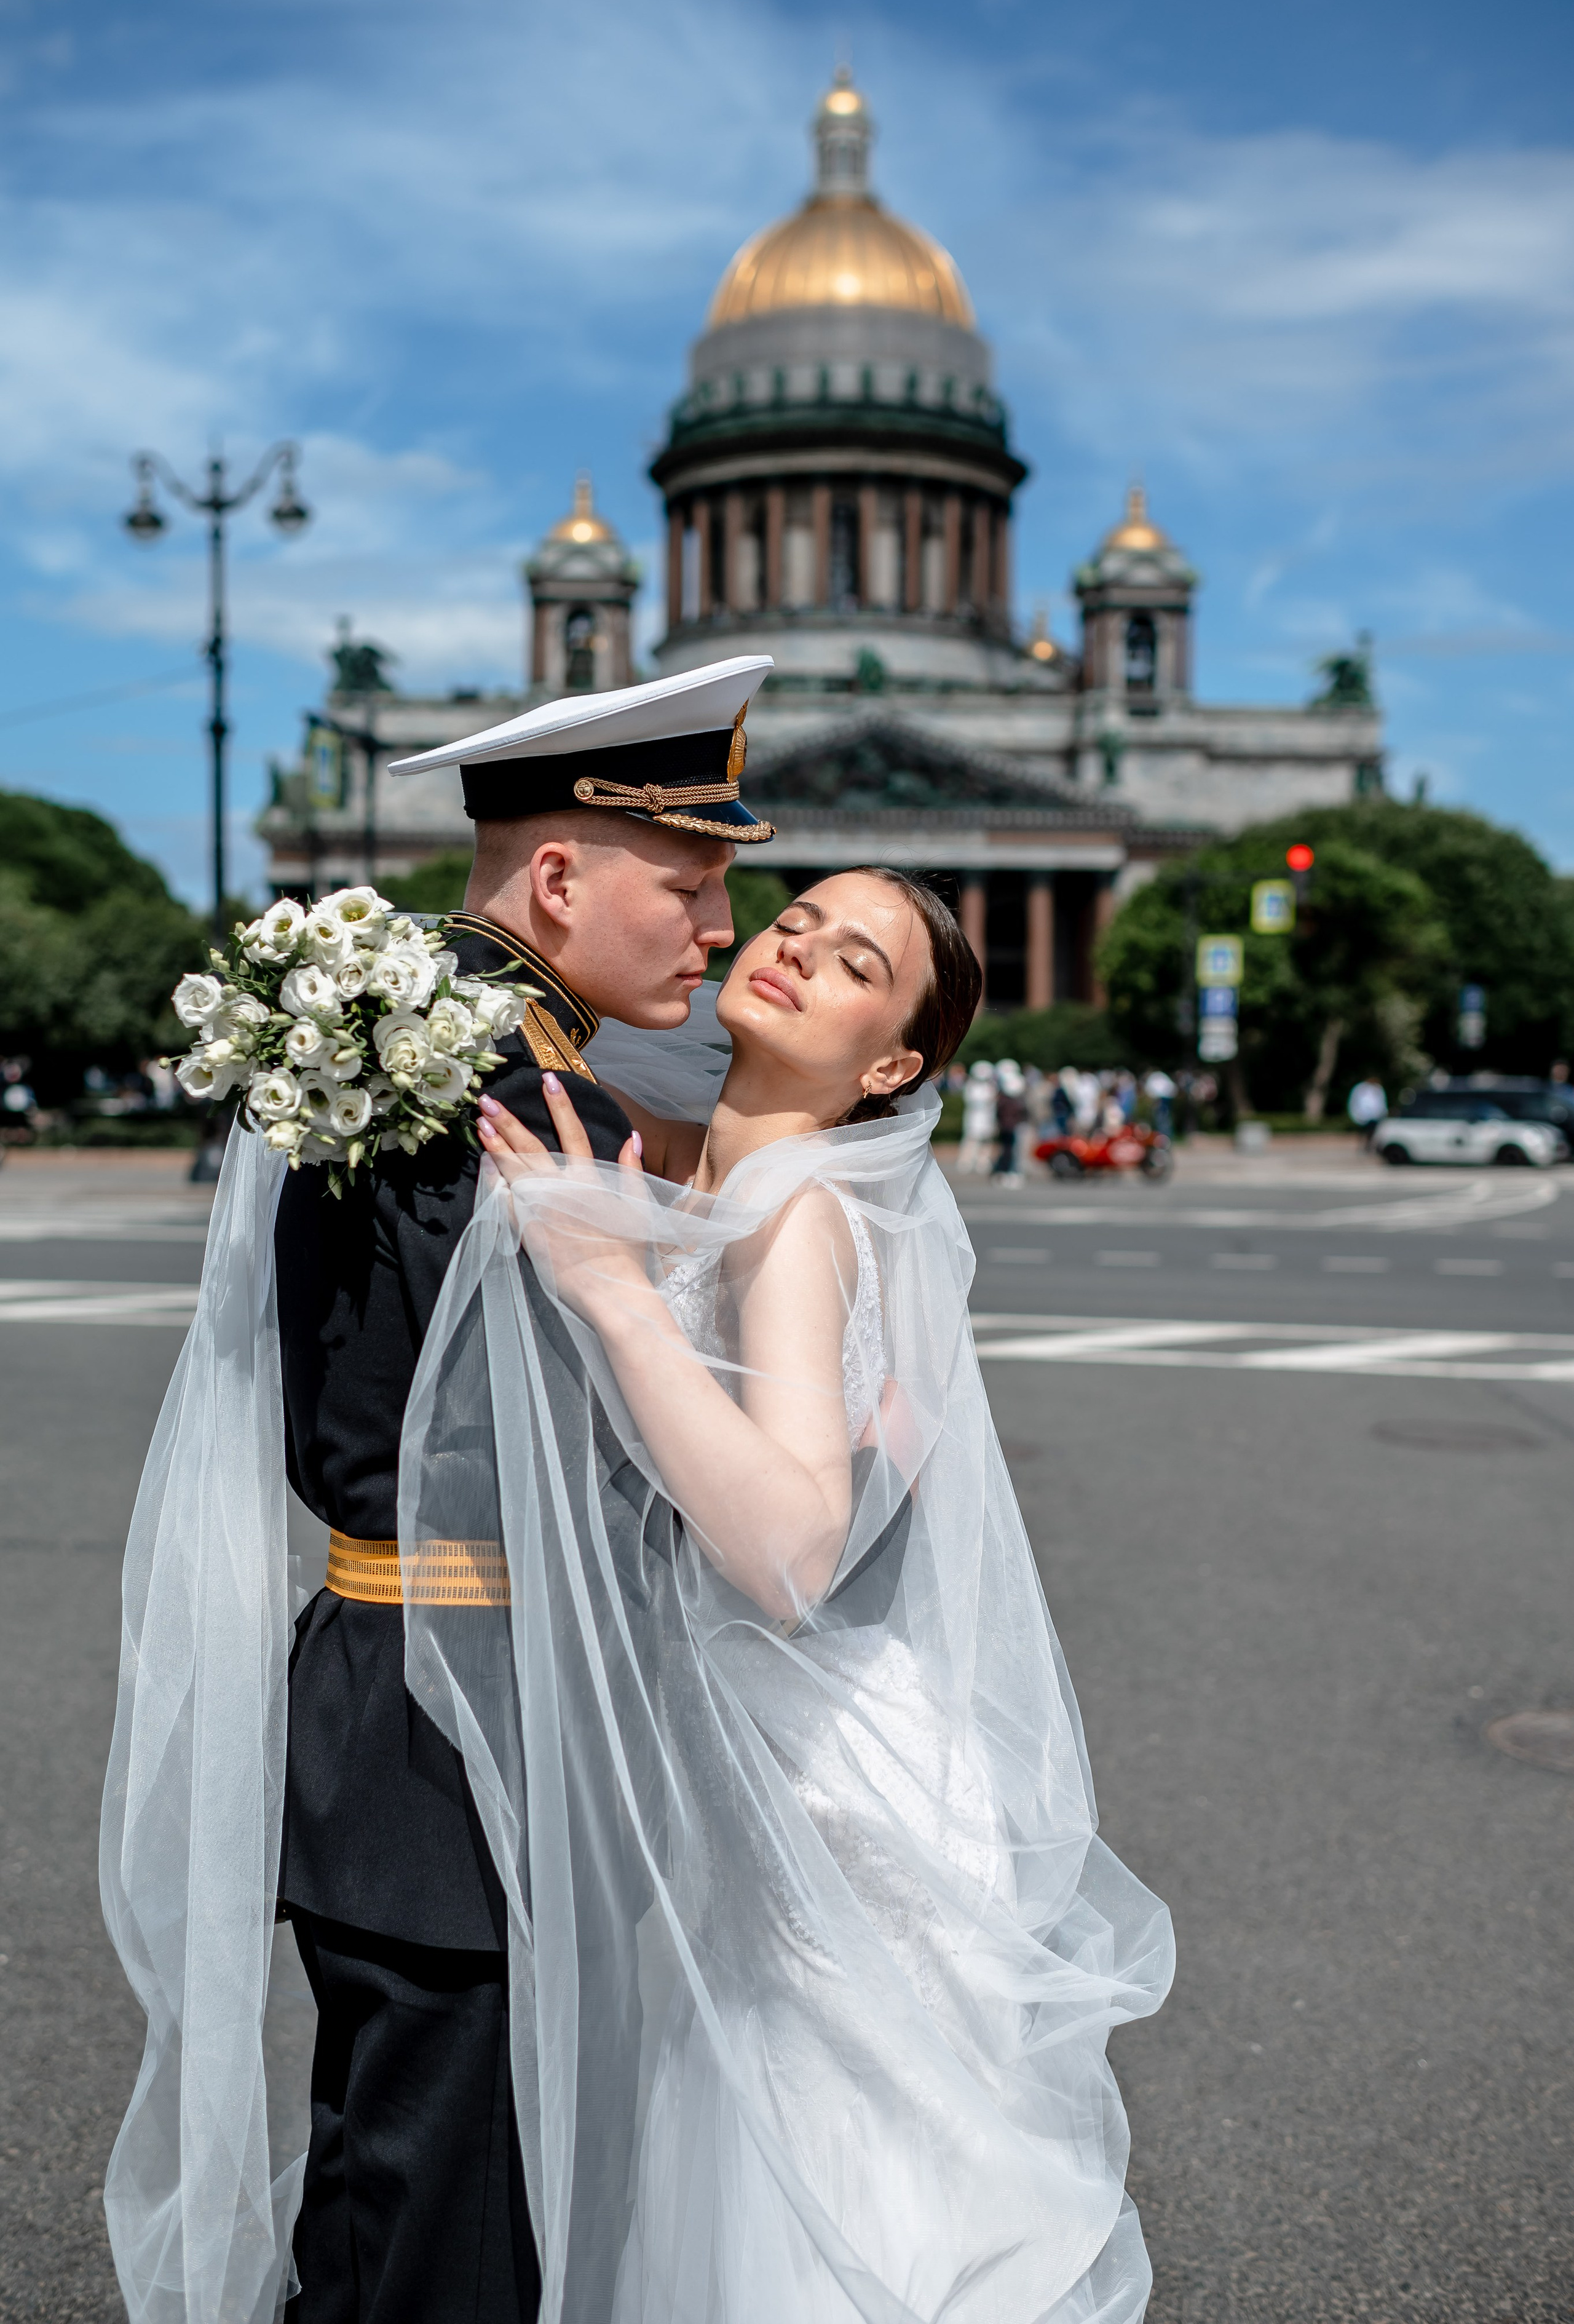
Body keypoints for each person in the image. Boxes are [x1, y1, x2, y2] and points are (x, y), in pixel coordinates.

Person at [100, 653, 780, 2324]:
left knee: (388, 2197)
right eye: (689, 889)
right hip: (476, 1738)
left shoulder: (397, 1050)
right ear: (560, 875)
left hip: (382, 1714)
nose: (715, 937)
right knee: (454, 2235)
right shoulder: (533, 1116)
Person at [430, 865, 1173, 2320]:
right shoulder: (729, 1175)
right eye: (796, 923)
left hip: (827, 1788)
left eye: (853, 964)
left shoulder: (790, 1209)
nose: (794, 953)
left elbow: (788, 1548)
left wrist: (613, 1289)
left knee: (815, 2194)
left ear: (891, 1060)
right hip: (788, 1761)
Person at [954, 1055, 997, 1175]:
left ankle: (983, 1162)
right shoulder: (971, 1086)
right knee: (970, 1141)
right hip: (974, 1118)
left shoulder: (991, 1086)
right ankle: (966, 1162)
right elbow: (973, 1101)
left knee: (986, 1142)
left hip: (987, 1118)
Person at [1347, 1073, 1388, 1151]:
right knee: (1363, 1133)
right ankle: (1362, 1147)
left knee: (1372, 1132)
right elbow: (1355, 1102)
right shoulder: (1360, 1088)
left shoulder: (1378, 1088)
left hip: (1375, 1115)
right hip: (1362, 1116)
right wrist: (1356, 1114)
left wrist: (1382, 1112)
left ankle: (1368, 1146)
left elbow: (1381, 1102)